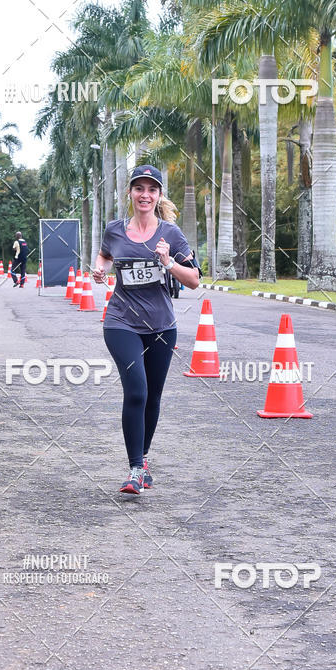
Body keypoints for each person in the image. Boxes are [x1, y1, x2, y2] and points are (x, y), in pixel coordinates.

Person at [92, 165, 200, 495]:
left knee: (153, 396)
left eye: (151, 189)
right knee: (136, 390)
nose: (145, 194)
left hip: (161, 327)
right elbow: (105, 256)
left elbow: (194, 280)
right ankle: (135, 469)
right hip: (120, 321)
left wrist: (168, 263)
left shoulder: (172, 234)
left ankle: (144, 459)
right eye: (139, 188)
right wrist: (100, 271)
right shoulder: (115, 230)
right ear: (130, 194)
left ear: (158, 195)